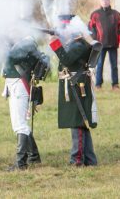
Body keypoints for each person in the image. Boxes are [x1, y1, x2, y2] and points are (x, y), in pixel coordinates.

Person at [49, 14, 100, 166]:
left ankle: (77, 160)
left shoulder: (78, 45)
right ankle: (90, 160)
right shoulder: (76, 43)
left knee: (77, 123)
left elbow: (66, 59)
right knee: (81, 123)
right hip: (76, 85)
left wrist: (55, 43)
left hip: (77, 86)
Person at [2, 36, 50, 170]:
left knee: (20, 125)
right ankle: (34, 156)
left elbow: (11, 56)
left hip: (19, 85)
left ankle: (21, 163)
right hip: (15, 85)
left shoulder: (27, 44)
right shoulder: (23, 43)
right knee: (19, 124)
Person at [88, 0, 120, 90]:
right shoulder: (95, 14)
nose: (105, 2)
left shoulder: (116, 14)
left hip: (113, 44)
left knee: (114, 65)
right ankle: (98, 84)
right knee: (99, 65)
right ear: (100, 2)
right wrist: (95, 39)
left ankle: (115, 84)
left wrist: (118, 39)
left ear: (109, 1)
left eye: (106, 0)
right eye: (103, 0)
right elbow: (91, 27)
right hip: (100, 45)